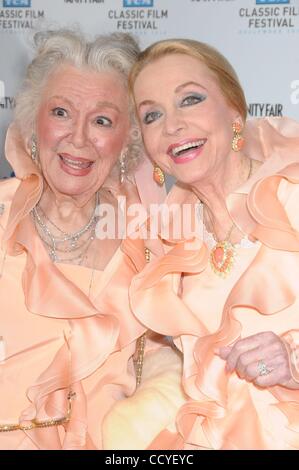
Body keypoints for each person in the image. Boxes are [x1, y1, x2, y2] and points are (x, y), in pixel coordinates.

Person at [0, 28, 170, 450]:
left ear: (128, 138)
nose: (78, 138)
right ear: (32, 121)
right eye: (61, 112)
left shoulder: (150, 241)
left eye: (101, 120)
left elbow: (173, 364)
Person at [125, 38, 299, 449]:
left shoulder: (291, 197)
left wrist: (293, 362)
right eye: (152, 115)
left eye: (190, 99)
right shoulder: (167, 240)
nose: (172, 126)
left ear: (234, 110)